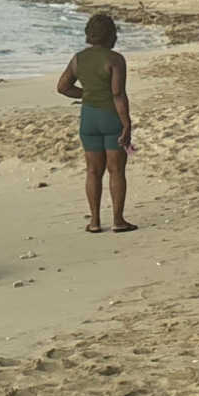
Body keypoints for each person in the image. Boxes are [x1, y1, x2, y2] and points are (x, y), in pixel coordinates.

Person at [55, 12, 134, 234]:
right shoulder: (115, 59)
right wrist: (126, 124)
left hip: (88, 118)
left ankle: (95, 222)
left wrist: (87, 93)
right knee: (116, 170)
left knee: (92, 171)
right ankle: (118, 220)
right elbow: (118, 94)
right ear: (111, 35)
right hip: (110, 117)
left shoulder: (78, 58)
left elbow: (62, 87)